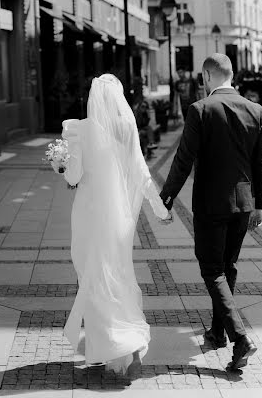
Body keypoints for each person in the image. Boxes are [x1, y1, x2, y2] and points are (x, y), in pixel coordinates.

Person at [159, 54, 262, 371]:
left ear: (207, 76)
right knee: (228, 266)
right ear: (231, 75)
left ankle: (239, 338)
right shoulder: (255, 109)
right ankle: (217, 332)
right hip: (243, 203)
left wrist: (166, 198)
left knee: (212, 269)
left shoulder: (200, 110)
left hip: (211, 204)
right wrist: (259, 204)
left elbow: (183, 159)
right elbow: (258, 164)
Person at [61, 74, 171, 376]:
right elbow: (142, 174)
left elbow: (73, 176)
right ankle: (112, 348)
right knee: (117, 276)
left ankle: (115, 348)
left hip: (88, 216)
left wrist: (61, 163)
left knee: (93, 279)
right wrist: (161, 210)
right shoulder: (127, 130)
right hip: (118, 221)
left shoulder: (81, 131)